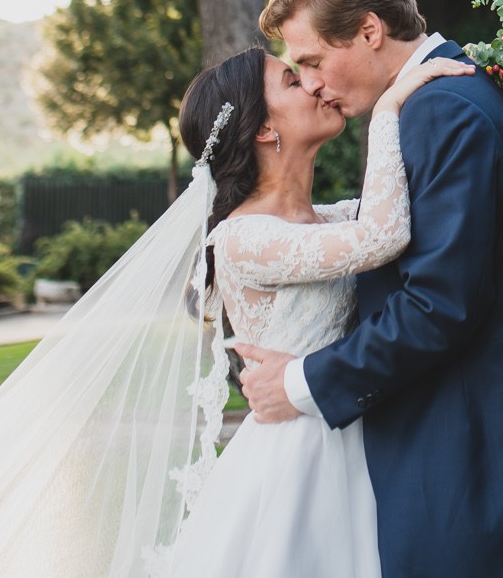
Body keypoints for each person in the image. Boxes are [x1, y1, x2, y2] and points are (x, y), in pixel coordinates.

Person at [233, 0, 503, 578]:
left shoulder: (444, 113)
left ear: (369, 31)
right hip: (474, 435)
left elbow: (437, 305)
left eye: (314, 61)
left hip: (467, 450)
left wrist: (300, 383)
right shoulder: (439, 102)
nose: (314, 83)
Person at [160, 42, 470, 576]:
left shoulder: (326, 223)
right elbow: (382, 234)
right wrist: (387, 110)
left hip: (358, 431)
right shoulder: (242, 239)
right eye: (290, 80)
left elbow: (401, 209)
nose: (314, 84)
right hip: (299, 461)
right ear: (263, 130)